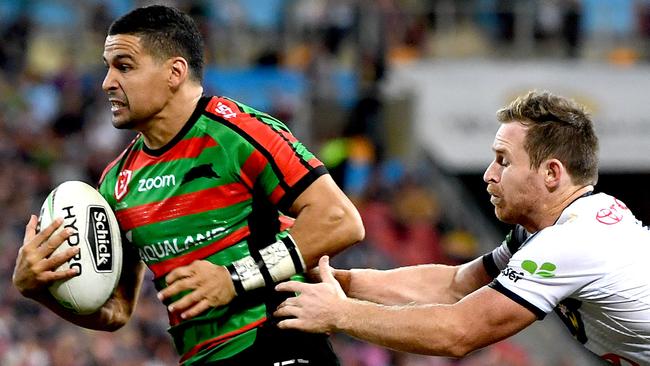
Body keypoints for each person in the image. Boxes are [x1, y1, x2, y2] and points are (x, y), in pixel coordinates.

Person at [12, 5, 364, 366]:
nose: (107, 82)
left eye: (124, 66)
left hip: (279, 344)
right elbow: (117, 310)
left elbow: (340, 221)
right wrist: (37, 290)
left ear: (175, 72)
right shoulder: (116, 183)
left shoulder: (237, 134)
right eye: (107, 67)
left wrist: (233, 278)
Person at [274, 91, 650, 365]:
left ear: (552, 173)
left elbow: (459, 332)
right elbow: (454, 285)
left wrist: (341, 314)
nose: (489, 175)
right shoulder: (557, 227)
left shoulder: (570, 241)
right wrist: (344, 283)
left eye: (503, 161)